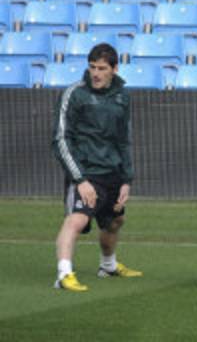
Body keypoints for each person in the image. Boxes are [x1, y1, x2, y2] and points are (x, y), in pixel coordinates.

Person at [52, 43, 141, 292]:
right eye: (92, 67)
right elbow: (60, 140)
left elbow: (124, 139)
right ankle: (64, 274)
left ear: (114, 68)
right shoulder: (75, 93)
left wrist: (126, 179)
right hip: (85, 173)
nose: (96, 73)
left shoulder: (123, 96)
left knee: (115, 222)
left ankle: (108, 265)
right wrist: (80, 180)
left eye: (102, 68)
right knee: (76, 220)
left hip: (112, 173)